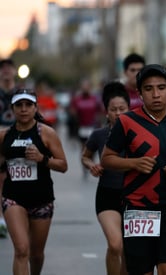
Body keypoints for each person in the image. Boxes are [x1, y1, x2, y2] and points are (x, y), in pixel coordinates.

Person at [101, 64, 166, 275]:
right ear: (139, 93)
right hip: (138, 209)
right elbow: (107, 159)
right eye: (148, 89)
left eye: (161, 88)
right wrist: (133, 163)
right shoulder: (126, 122)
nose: (156, 94)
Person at [0, 88, 68, 275]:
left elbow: (63, 165)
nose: (23, 109)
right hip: (13, 198)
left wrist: (42, 159)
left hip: (42, 200)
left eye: (28, 105)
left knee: (36, 254)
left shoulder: (46, 133)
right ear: (12, 109)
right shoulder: (4, 135)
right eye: (19, 105)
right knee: (22, 250)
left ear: (35, 107)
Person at [81, 81, 130, 275]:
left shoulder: (138, 134)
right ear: (106, 111)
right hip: (107, 195)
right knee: (115, 244)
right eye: (113, 109)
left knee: (129, 250)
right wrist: (91, 165)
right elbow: (85, 156)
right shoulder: (99, 134)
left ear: (129, 108)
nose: (118, 113)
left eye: (122, 109)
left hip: (134, 196)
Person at [69, 77, 103, 177]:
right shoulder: (77, 99)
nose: (85, 88)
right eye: (83, 86)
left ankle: (91, 163)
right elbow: (72, 112)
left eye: (87, 86)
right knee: (84, 148)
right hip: (82, 127)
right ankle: (85, 167)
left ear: (90, 87)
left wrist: (99, 122)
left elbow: (100, 111)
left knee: (93, 149)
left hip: (94, 127)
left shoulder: (95, 99)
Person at [0, 58, 18, 238]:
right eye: (2, 68)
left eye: (8, 68)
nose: (5, 71)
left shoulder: (20, 94)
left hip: (16, 142)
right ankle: (2, 219)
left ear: (14, 70)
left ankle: (14, 216)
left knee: (11, 180)